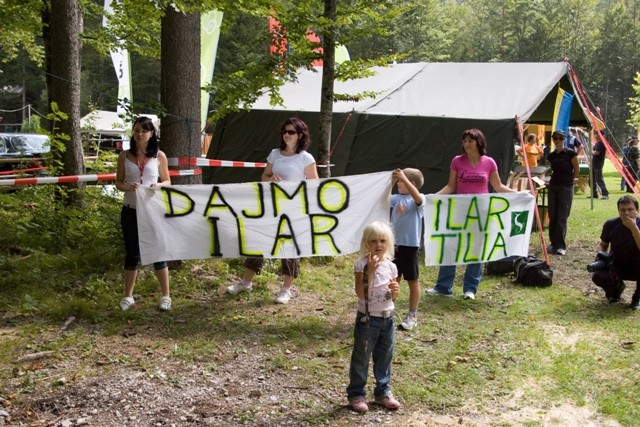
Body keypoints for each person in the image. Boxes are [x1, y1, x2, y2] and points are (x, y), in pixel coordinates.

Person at [226, 117, 319, 304]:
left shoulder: (306, 158)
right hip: (271, 206)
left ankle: (286, 289)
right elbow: (264, 175)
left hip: (294, 209)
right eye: (284, 131)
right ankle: (246, 282)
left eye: (291, 132)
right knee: (258, 240)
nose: (286, 135)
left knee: (290, 247)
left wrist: (295, 188)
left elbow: (314, 184)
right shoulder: (274, 154)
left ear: (300, 135)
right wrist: (271, 179)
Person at [426, 129, 515, 300]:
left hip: (481, 212)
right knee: (450, 246)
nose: (466, 144)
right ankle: (443, 287)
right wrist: (433, 197)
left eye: (470, 141)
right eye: (464, 141)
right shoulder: (457, 162)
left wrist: (520, 194)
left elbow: (498, 187)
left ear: (478, 143)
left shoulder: (489, 163)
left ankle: (470, 289)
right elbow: (451, 186)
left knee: (476, 249)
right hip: (460, 210)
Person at [114, 116, 172, 311]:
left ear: (152, 134)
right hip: (130, 210)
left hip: (153, 212)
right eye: (137, 130)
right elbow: (118, 182)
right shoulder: (124, 156)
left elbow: (168, 181)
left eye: (144, 131)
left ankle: (165, 296)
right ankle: (128, 296)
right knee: (132, 254)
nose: (139, 134)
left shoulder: (159, 156)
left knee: (158, 253)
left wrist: (158, 186)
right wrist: (128, 187)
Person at [347, 221, 401, 413]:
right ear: (366, 243)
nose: (378, 244)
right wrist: (369, 272)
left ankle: (383, 391)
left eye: (382, 240)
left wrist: (396, 290)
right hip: (368, 319)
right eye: (373, 241)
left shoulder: (391, 267)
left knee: (385, 356)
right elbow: (360, 294)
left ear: (388, 243)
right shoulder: (361, 264)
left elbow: (392, 296)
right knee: (362, 356)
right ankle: (356, 393)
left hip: (388, 318)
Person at [590, 195, 640, 310]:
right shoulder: (611, 224)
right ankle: (616, 289)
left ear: (637, 210)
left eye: (630, 209)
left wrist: (633, 228)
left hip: (637, 264)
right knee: (598, 276)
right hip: (617, 263)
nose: (626, 213)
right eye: (622, 210)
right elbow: (603, 244)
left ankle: (637, 298)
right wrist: (600, 254)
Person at [390, 168, 425, 331]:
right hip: (394, 246)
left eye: (401, 181)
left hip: (410, 247)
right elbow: (382, 198)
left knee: (412, 280)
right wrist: (392, 181)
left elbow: (417, 198)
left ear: (411, 184)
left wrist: (404, 177)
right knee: (392, 279)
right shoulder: (396, 198)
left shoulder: (419, 200)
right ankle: (388, 310)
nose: (398, 184)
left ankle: (412, 315)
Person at [546, 130, 579, 256]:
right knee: (552, 215)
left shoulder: (570, 153)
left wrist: (570, 181)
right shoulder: (551, 155)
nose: (557, 140)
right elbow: (551, 169)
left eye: (560, 138)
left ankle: (560, 245)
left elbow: (576, 170)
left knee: (562, 216)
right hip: (553, 186)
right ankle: (553, 243)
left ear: (564, 139)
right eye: (555, 138)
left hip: (566, 187)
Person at [590, 131, 609, 200]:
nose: (594, 135)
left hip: (598, 164)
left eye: (596, 134)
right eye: (594, 134)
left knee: (599, 179)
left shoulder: (601, 143)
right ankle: (594, 194)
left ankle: (605, 194)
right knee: (591, 179)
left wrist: (591, 151)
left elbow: (596, 153)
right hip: (594, 163)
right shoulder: (597, 143)